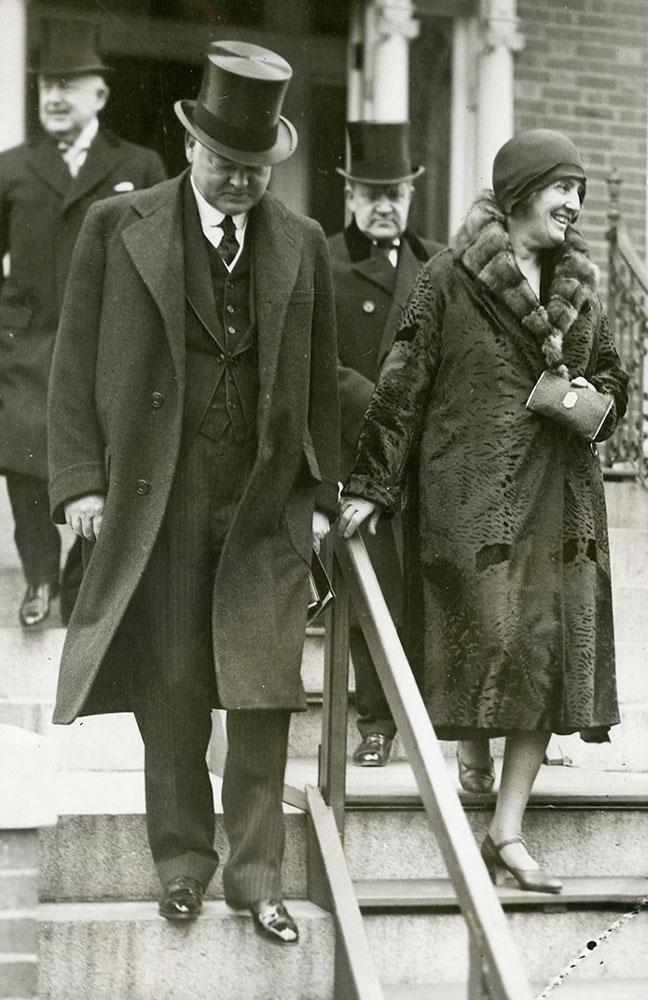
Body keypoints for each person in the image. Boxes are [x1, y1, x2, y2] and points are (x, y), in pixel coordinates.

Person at [47, 41, 339, 942]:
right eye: (225, 163)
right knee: (170, 686)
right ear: (190, 149)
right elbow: (71, 364)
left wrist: (325, 496)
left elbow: (323, 379)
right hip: (156, 496)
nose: (241, 181)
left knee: (260, 692)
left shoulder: (303, 243)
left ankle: (258, 879)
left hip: (262, 502)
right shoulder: (115, 224)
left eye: (255, 168)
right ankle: (180, 865)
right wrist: (78, 486)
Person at [338, 129, 628, 893]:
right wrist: (371, 482)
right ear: (521, 192)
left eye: (582, 193)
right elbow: (401, 381)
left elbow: (611, 378)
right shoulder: (448, 277)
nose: (575, 205)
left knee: (546, 645)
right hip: (471, 497)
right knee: (490, 636)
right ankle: (472, 755)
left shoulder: (582, 287)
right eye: (563, 188)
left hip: (561, 502)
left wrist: (596, 402)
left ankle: (507, 829)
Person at [0, 18, 166, 627]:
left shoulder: (139, 165)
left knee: (103, 464)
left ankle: (77, 577)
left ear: (100, 94)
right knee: (23, 456)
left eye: (69, 83)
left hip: (107, 342)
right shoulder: (12, 168)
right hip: (29, 340)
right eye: (46, 84)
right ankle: (40, 579)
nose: (53, 95)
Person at [328, 121, 442, 767]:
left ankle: (424, 714)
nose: (383, 204)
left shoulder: (434, 264)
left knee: (423, 591)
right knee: (372, 593)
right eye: (370, 191)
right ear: (349, 194)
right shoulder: (324, 258)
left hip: (426, 460)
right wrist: (380, 405)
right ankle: (375, 721)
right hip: (357, 455)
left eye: (395, 192)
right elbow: (314, 358)